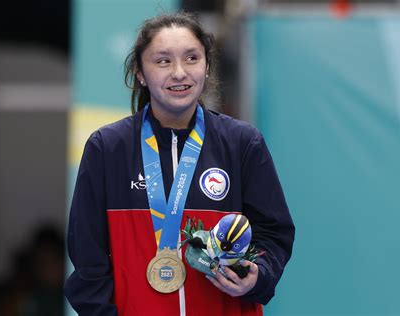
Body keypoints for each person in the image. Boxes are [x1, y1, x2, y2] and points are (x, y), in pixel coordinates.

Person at [65, 12, 295, 316]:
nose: (179, 73)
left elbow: (274, 232)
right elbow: (87, 256)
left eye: (191, 59)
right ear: (140, 72)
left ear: (207, 67)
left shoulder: (242, 143)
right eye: (163, 61)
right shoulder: (108, 148)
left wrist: (259, 273)